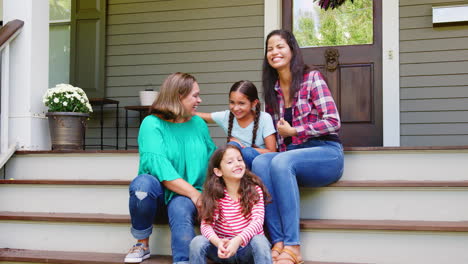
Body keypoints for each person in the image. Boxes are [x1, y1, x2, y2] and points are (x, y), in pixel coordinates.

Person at [251, 29, 344, 264]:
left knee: (281, 160)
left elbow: (333, 121)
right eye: (270, 48)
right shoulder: (272, 91)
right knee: (261, 161)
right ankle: (279, 241)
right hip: (292, 156)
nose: (274, 52)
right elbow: (277, 138)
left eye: (280, 46)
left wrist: (295, 131)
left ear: (292, 49)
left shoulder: (312, 78)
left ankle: (294, 246)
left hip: (326, 152)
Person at [124, 72, 216, 264]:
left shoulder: (198, 123)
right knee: (142, 184)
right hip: (158, 199)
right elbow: (161, 169)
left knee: (180, 205)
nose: (200, 100)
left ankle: (184, 260)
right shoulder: (151, 124)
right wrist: (194, 194)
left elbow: (212, 158)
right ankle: (142, 243)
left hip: (186, 200)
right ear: (178, 97)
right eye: (195, 95)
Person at [189, 144, 272, 264]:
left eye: (239, 160)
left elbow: (257, 222)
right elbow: (206, 225)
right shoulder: (215, 195)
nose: (237, 164)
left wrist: (237, 241)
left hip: (246, 249)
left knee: (260, 241)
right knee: (198, 241)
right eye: (230, 162)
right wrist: (218, 242)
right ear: (218, 171)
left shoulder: (254, 190)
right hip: (223, 250)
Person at [196, 80, 277, 169]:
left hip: (261, 167)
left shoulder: (264, 118)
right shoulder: (226, 116)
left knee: (246, 152)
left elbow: (272, 151)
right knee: (231, 146)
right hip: (239, 168)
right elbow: (200, 116)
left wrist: (241, 148)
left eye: (241, 103)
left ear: (254, 103)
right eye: (232, 102)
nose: (235, 108)